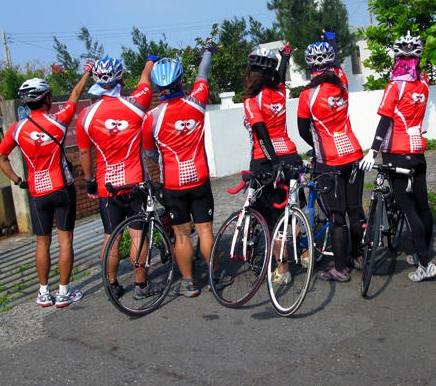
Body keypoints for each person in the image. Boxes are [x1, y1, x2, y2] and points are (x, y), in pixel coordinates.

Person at [0, 68, 92, 307]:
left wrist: (19, 180)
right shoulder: (59, 120)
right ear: (47, 99)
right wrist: (87, 72)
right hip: (62, 188)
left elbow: (0, 157)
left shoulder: (17, 129)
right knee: (65, 241)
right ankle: (63, 292)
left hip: (37, 192)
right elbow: (75, 93)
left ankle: (43, 292)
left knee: (42, 243)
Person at [142, 44, 232, 295]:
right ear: (181, 81)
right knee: (205, 231)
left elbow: (150, 151)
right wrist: (208, 52)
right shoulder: (198, 102)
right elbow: (203, 73)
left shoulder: (152, 117)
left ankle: (188, 283)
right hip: (199, 178)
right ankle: (215, 277)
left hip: (172, 183)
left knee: (181, 235)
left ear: (160, 87)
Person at [77, 55, 157, 300]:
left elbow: (83, 152)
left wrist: (89, 180)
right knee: (137, 234)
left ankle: (111, 283)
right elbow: (145, 80)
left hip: (106, 185)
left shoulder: (86, 116)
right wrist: (149, 63)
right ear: (121, 79)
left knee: (111, 235)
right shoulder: (137, 104)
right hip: (135, 181)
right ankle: (141, 286)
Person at [359, 31, 436, 282]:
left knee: (407, 206)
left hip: (396, 152)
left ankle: (424, 263)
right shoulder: (423, 83)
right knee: (422, 205)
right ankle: (423, 252)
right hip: (417, 150)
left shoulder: (395, 85)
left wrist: (372, 150)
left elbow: (385, 121)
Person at [297, 30, 365, 283]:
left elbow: (304, 128)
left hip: (329, 160)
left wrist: (316, 144)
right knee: (356, 210)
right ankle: (357, 257)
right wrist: (331, 41)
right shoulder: (342, 82)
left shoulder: (308, 95)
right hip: (354, 153)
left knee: (337, 216)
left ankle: (339, 268)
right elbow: (336, 64)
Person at [242, 42, 302, 285]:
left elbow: (262, 136)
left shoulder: (251, 100)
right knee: (294, 210)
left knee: (272, 216)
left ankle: (283, 268)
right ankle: (306, 255)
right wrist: (285, 57)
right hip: (290, 153)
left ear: (251, 73)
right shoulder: (279, 92)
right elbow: (280, 78)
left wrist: (273, 164)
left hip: (267, 160)